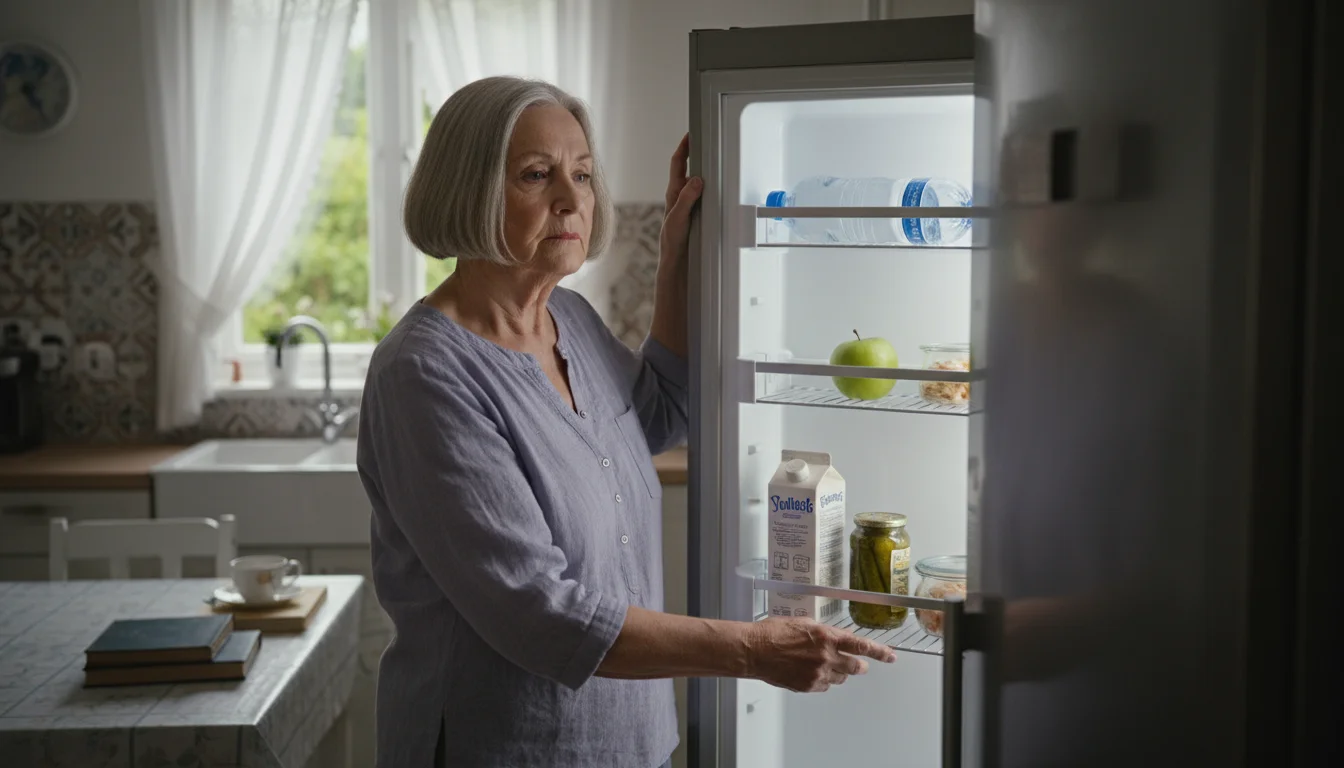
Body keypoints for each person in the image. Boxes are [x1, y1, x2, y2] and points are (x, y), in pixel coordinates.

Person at [356, 75, 895, 768]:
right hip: (502, 747)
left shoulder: (569, 321)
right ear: (469, 190)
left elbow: (660, 414)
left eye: (581, 173)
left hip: (630, 739)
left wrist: (675, 256)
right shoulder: (424, 373)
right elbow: (538, 614)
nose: (571, 197)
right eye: (536, 175)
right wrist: (751, 647)